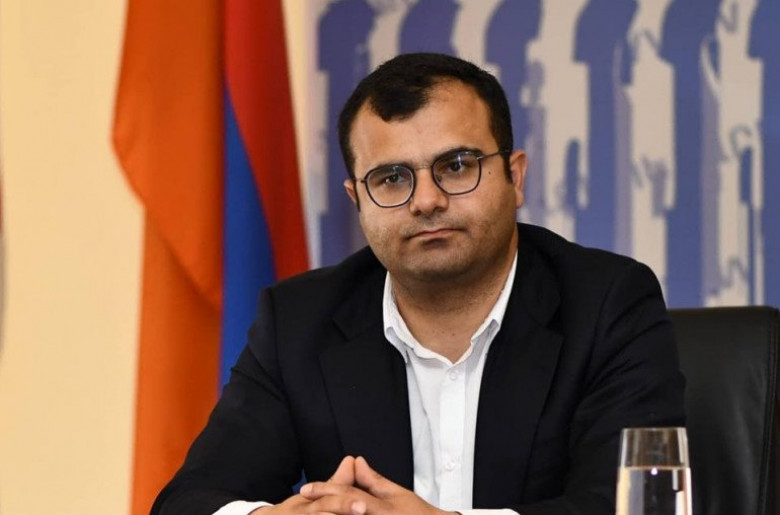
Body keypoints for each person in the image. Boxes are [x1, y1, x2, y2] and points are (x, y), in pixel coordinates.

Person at [151, 53, 685, 515]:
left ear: (515, 176)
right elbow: (189, 500)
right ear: (357, 200)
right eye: (391, 178)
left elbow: (635, 506)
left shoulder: (607, 302)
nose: (426, 201)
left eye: (456, 166)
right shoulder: (298, 321)